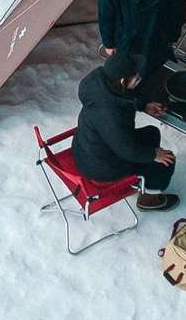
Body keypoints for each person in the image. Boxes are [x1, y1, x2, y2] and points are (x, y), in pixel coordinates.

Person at [72, 59, 177, 212]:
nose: (138, 80)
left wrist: (143, 105)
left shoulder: (99, 83)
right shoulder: (110, 115)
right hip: (102, 167)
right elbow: (127, 150)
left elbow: (119, 99)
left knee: (152, 133)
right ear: (122, 80)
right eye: (136, 78)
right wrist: (153, 154)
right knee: (166, 162)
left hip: (87, 149)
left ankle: (147, 179)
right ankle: (148, 199)